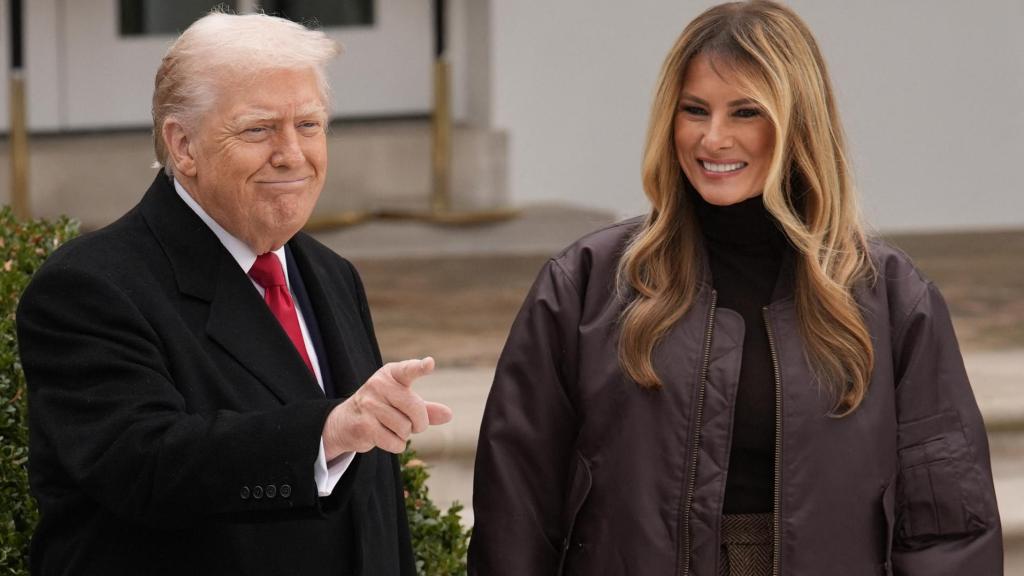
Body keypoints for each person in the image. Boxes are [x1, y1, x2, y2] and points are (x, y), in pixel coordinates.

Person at [469, 2, 1002, 575]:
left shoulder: (889, 298)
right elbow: (516, 504)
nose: (713, 138)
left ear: (799, 122)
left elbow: (947, 526)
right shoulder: (586, 285)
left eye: (746, 112)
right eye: (694, 110)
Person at [16, 12, 452, 576]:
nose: (292, 153)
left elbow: (372, 513)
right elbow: (145, 464)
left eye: (310, 125)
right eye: (258, 129)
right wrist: (325, 432)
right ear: (184, 145)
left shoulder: (329, 273)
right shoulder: (88, 288)